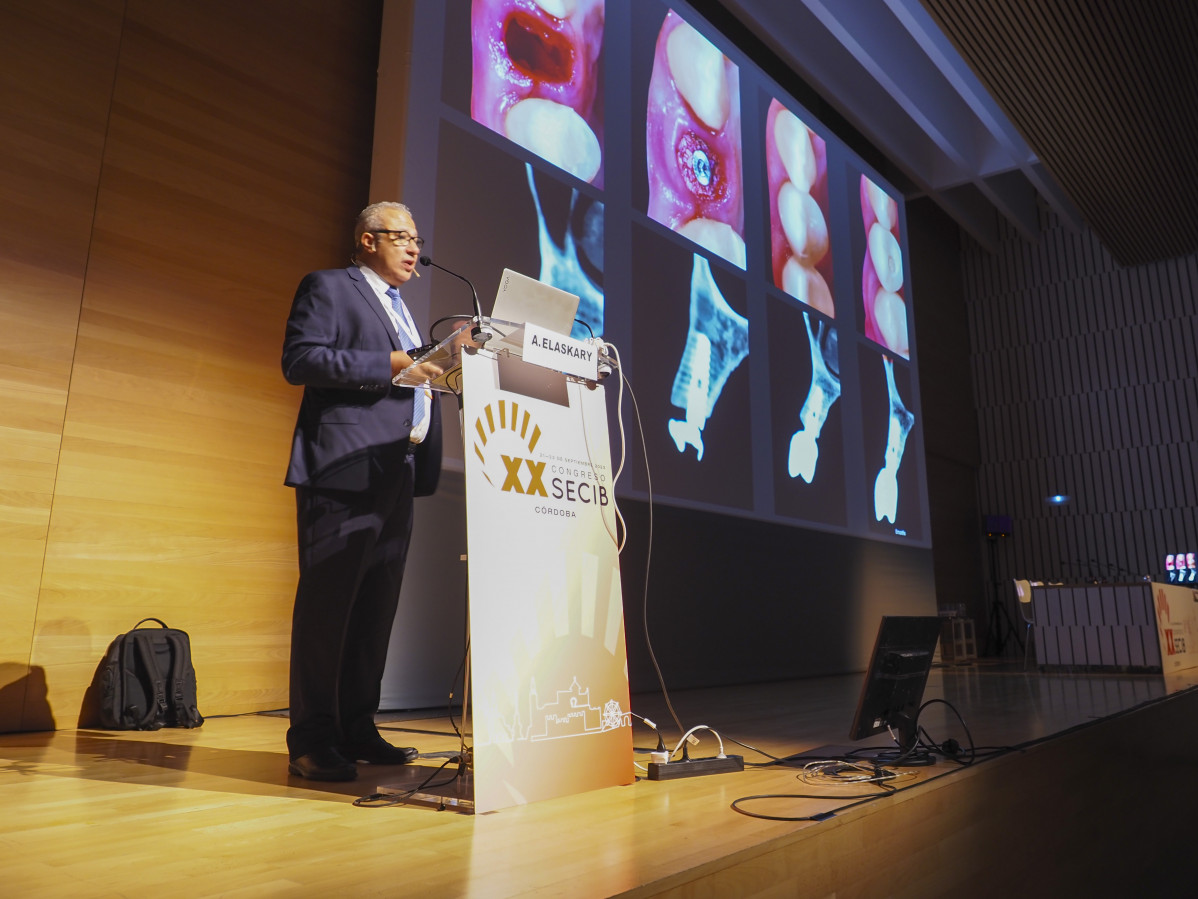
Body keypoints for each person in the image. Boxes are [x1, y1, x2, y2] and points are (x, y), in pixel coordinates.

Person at [281, 201, 443, 781]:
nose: (414, 248)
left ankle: (357, 727)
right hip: (345, 467)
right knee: (329, 608)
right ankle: (312, 738)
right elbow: (300, 361)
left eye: (417, 239)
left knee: (376, 608)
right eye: (402, 237)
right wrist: (393, 362)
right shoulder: (330, 287)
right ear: (367, 240)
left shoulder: (405, 311)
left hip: (396, 469)